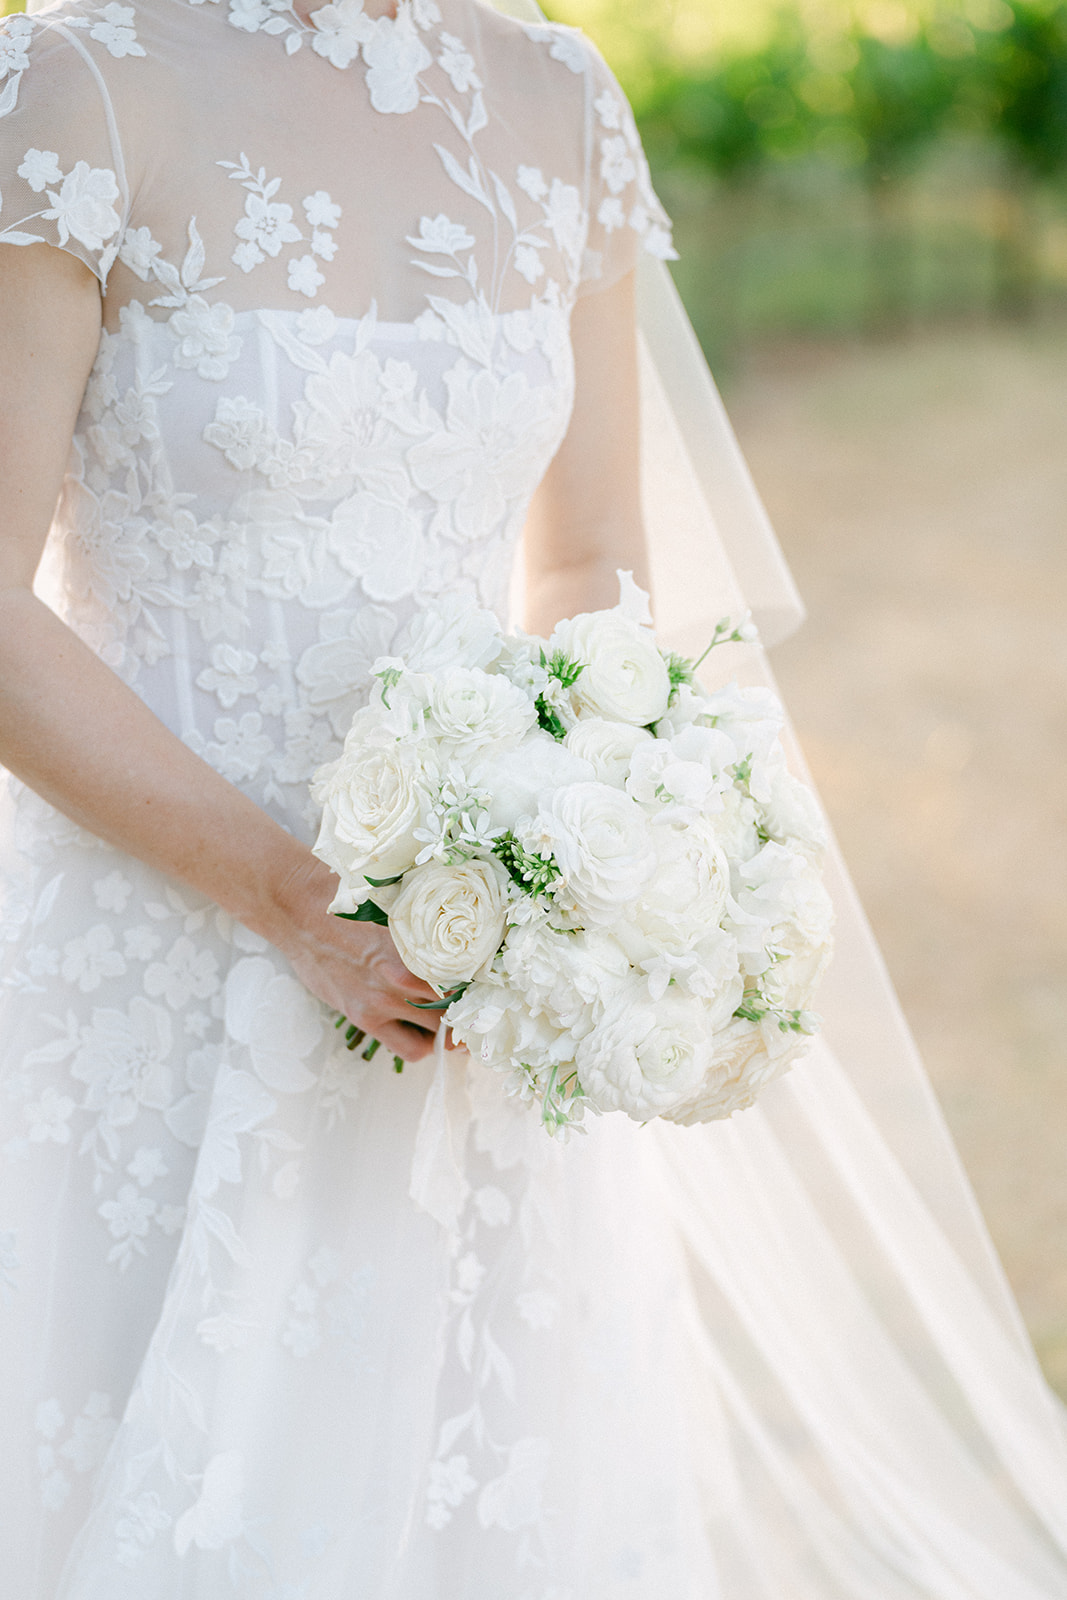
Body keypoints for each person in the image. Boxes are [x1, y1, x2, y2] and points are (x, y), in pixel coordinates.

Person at [1, 0, 1067, 1595]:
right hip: (156, 977)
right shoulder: (78, 85)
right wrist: (297, 902)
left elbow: (583, 562)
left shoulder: (560, 96)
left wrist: (598, 844)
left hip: (474, 993)